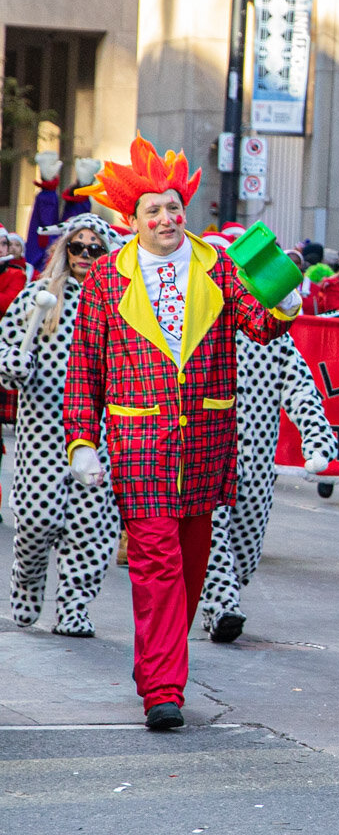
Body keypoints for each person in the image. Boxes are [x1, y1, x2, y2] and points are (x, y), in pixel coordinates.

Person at [62, 136, 304, 730]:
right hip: (139, 443)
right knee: (156, 563)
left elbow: (258, 323)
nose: (167, 219)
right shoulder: (105, 281)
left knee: (191, 567)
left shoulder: (215, 264)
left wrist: (285, 299)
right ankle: (165, 689)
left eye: (173, 207)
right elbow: (84, 368)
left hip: (204, 441)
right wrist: (82, 441)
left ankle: (155, 666)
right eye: (154, 210)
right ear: (133, 219)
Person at [199, 231, 338, 643]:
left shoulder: (274, 336)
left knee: (244, 546)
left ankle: (223, 601)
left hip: (257, 460)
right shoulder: (196, 324)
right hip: (207, 451)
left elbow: (300, 389)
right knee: (212, 530)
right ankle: (222, 604)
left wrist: (317, 440)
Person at [1, 215, 123, 636]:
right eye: (78, 247)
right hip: (43, 431)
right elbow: (5, 344)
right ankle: (26, 581)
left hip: (99, 432)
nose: (86, 255)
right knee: (36, 519)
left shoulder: (123, 304)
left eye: (95, 248)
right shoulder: (37, 296)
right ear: (64, 250)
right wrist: (12, 363)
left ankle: (74, 608)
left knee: (90, 527)